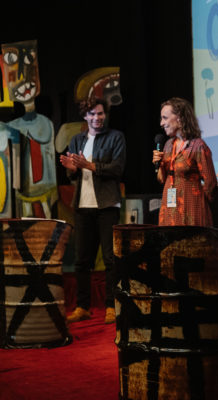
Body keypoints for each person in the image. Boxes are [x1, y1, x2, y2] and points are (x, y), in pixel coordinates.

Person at [60, 97, 126, 324]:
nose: (97, 118)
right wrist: (72, 169)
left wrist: (89, 165)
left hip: (107, 205)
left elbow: (117, 168)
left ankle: (111, 306)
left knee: (110, 259)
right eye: (92, 114)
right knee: (82, 260)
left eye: (100, 113)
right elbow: (72, 174)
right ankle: (82, 306)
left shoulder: (116, 137)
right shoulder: (77, 140)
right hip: (82, 205)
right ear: (85, 116)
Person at [152, 97, 217, 226]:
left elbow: (211, 183)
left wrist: (198, 202)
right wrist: (158, 164)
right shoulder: (168, 145)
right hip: (170, 208)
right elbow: (161, 179)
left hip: (191, 207)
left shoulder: (198, 146)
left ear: (180, 118)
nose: (161, 123)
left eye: (165, 118)